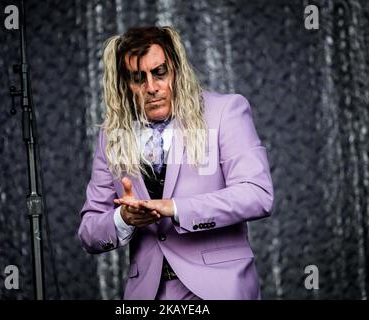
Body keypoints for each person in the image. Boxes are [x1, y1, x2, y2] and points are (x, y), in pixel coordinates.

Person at [78, 26, 274, 300]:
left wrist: (176, 207)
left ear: (177, 70)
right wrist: (123, 219)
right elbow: (89, 232)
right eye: (138, 78)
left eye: (160, 72)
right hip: (147, 294)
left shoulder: (225, 111)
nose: (151, 87)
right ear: (125, 84)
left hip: (218, 288)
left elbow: (257, 195)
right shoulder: (111, 136)